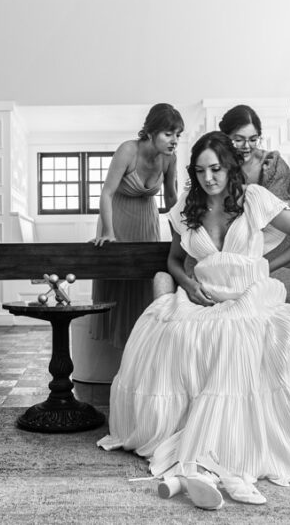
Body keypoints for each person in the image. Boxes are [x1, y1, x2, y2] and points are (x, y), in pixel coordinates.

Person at [98, 132, 290, 509]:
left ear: (229, 168)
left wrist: (265, 266)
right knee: (168, 334)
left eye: (216, 169)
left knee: (255, 338)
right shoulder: (189, 204)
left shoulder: (253, 197)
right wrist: (187, 283)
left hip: (251, 295)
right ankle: (207, 468)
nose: (209, 178)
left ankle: (218, 464)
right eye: (201, 170)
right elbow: (173, 260)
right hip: (202, 297)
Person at [70, 103, 182, 384]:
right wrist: (108, 231)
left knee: (144, 285)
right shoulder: (128, 150)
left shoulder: (170, 159)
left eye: (178, 135)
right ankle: (115, 367)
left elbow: (170, 200)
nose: (174, 140)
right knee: (117, 286)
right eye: (169, 134)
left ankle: (140, 358)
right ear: (152, 131)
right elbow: (106, 193)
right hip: (117, 220)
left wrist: (185, 230)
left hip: (147, 222)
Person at [218, 105, 290, 258]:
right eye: (238, 140)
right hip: (226, 229)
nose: (247, 146)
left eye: (253, 139)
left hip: (270, 232)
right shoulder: (217, 164)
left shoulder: (273, 165)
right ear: (225, 138)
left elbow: (274, 212)